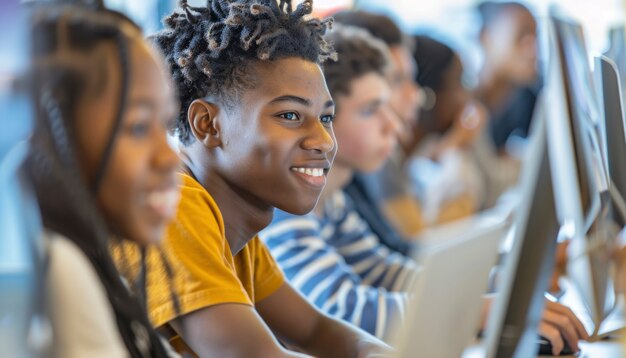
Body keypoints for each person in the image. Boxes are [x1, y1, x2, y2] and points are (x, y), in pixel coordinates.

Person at [261, 27, 589, 356]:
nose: (394, 124)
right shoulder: (286, 209)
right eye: (371, 110)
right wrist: (476, 309)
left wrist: (498, 285)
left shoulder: (332, 201)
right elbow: (343, 309)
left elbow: (390, 273)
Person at [119, 1, 391, 356]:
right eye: (291, 115)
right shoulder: (175, 205)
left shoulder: (233, 228)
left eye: (325, 118)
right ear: (208, 124)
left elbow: (314, 330)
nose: (324, 141)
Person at [25, 2, 181, 357]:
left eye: (165, 125)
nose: (169, 156)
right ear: (49, 131)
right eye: (139, 127)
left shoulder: (95, 262)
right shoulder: (59, 265)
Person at [475, 1, 540, 151]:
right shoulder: (458, 104)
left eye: (535, 37)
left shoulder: (530, 101)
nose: (533, 50)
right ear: (485, 37)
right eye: (522, 35)